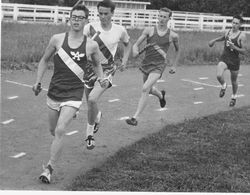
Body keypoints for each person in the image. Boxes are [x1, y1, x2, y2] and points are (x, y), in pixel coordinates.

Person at [32, 4, 107, 184]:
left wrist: (101, 78)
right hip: (54, 92)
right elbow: (44, 60)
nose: (76, 20)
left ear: (86, 21)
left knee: (60, 129)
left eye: (80, 17)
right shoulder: (57, 39)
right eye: (74, 17)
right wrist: (37, 81)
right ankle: (71, 113)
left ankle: (49, 169)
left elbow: (97, 64)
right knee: (52, 130)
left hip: (74, 93)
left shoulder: (91, 45)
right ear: (70, 18)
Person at [82, 0, 131, 149]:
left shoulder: (119, 30)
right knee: (91, 103)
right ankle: (97, 117)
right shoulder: (89, 28)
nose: (102, 16)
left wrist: (125, 59)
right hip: (89, 69)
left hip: (108, 69)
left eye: (106, 14)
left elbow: (128, 44)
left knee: (91, 99)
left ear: (112, 13)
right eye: (100, 13)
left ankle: (89, 135)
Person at [126, 7, 180, 126]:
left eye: (164, 17)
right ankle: (161, 95)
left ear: (169, 19)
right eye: (160, 16)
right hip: (146, 63)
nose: (161, 19)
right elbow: (136, 44)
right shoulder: (149, 30)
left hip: (159, 65)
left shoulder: (173, 35)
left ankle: (135, 118)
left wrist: (174, 66)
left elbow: (178, 50)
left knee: (145, 88)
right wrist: (135, 50)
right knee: (149, 89)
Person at [208, 15, 247, 107]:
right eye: (233, 22)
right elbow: (223, 37)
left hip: (234, 61)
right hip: (225, 58)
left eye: (236, 23)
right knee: (218, 75)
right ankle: (224, 85)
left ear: (240, 25)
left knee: (234, 81)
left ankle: (233, 97)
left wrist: (234, 47)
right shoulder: (228, 32)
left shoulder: (242, 36)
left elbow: (244, 51)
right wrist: (214, 40)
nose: (234, 25)